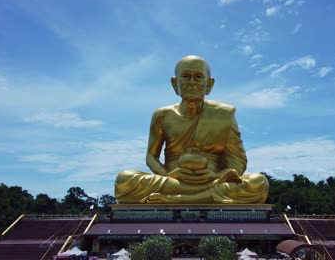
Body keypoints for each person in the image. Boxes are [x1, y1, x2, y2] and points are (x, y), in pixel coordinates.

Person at [115, 55, 269, 203]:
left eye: (198, 77)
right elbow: (151, 156)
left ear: (209, 84)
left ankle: (179, 199)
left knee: (259, 183)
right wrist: (167, 175)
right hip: (173, 181)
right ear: (175, 84)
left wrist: (218, 176)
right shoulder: (162, 115)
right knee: (124, 180)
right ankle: (200, 197)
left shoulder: (224, 114)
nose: (192, 82)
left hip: (212, 179)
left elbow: (237, 160)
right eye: (186, 76)